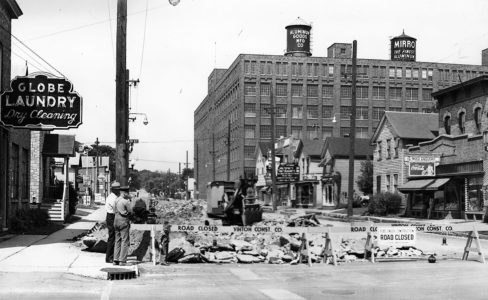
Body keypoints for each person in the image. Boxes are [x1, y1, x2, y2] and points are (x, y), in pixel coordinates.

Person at [113, 186, 132, 266]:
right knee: (125, 241)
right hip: (123, 220)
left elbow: (113, 210)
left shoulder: (116, 200)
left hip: (116, 220)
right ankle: (122, 261)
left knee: (117, 240)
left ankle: (115, 259)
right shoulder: (126, 201)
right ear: (124, 193)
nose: (128, 194)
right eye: (127, 193)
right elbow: (131, 211)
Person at [105, 181, 121, 263]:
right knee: (112, 238)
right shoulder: (112, 198)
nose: (119, 191)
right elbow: (116, 209)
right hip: (111, 216)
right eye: (118, 190)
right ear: (114, 190)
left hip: (111, 216)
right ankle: (109, 257)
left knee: (113, 237)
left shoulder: (113, 197)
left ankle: (112, 256)